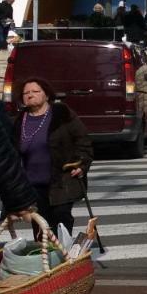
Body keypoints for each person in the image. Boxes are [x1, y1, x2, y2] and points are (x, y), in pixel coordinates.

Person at [13, 78, 92, 238]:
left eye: (35, 91)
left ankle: (64, 253)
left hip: (61, 179)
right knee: (40, 223)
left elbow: (83, 141)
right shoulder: (19, 121)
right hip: (32, 184)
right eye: (26, 93)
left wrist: (81, 163)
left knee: (61, 216)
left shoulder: (61, 114)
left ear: (47, 95)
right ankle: (45, 259)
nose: (30, 95)